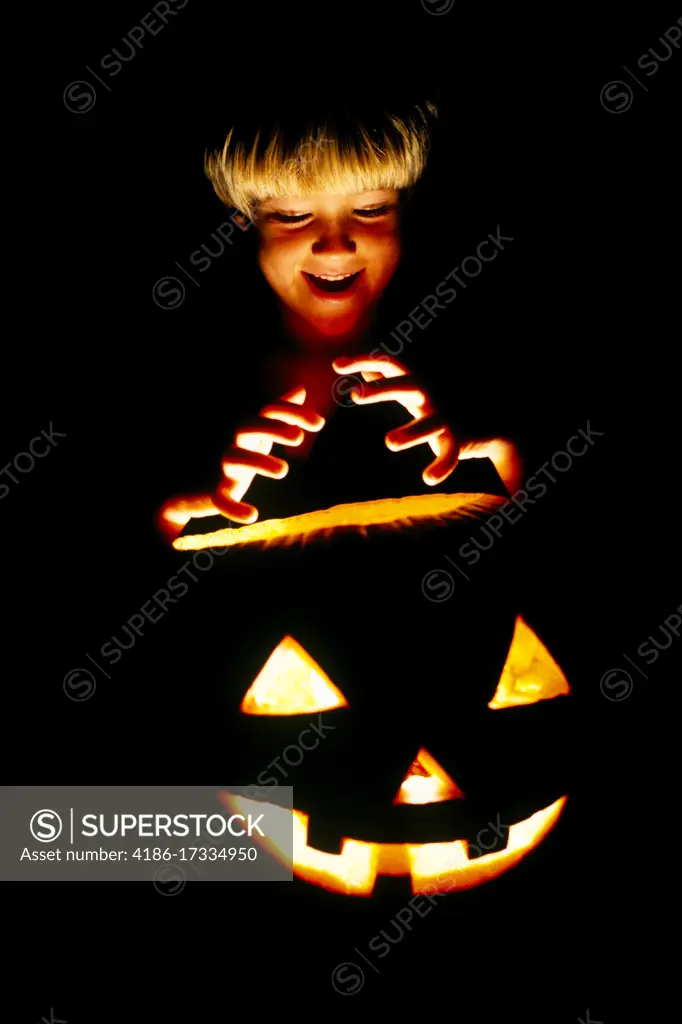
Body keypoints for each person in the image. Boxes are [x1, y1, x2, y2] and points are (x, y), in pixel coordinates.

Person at [157, 93, 521, 543]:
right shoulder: (179, 386)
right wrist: (172, 512)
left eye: (370, 210)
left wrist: (507, 452)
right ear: (245, 224)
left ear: (404, 213)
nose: (334, 246)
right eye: (292, 216)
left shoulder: (481, 367)